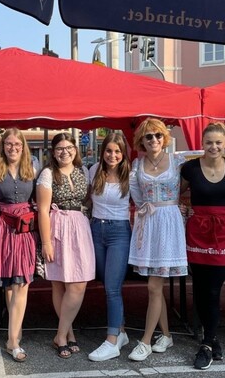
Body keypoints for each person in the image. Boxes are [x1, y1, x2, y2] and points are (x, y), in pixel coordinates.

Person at [127, 119, 188, 361]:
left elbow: (201, 173)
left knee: (154, 285)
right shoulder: (137, 164)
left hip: (169, 221)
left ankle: (145, 341)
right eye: (148, 136)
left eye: (158, 136)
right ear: (141, 140)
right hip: (148, 221)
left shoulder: (178, 161)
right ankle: (166, 334)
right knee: (156, 286)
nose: (154, 140)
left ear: (165, 138)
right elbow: (137, 195)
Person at [180, 122, 225, 370]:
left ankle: (206, 344)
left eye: (218, 142)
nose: (213, 146)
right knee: (201, 289)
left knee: (214, 290)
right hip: (198, 231)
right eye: (209, 142)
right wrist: (182, 207)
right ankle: (211, 339)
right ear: (202, 144)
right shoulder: (190, 168)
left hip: (222, 232)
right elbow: (175, 193)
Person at [37, 133, 95, 359]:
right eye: (60, 148)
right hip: (57, 227)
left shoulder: (82, 172)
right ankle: (66, 334)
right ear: (53, 152)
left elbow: (88, 199)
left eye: (69, 147)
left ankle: (60, 334)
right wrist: (46, 242)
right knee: (59, 283)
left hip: (79, 226)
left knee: (78, 283)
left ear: (75, 149)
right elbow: (42, 210)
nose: (65, 152)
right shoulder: (48, 173)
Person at [0, 128, 39, 362]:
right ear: (3, 146)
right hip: (3, 227)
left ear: (23, 146)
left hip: (24, 230)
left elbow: (37, 201)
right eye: (9, 144)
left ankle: (13, 339)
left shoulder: (33, 170)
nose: (13, 147)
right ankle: (14, 333)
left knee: (23, 283)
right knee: (9, 284)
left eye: (17, 144)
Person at [86, 133, 132, 362]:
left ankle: (112, 340)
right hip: (96, 230)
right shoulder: (94, 171)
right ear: (102, 151)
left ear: (123, 154)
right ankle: (121, 330)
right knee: (107, 283)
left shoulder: (130, 175)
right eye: (109, 150)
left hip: (119, 233)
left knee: (112, 288)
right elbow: (85, 199)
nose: (112, 155)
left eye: (117, 151)